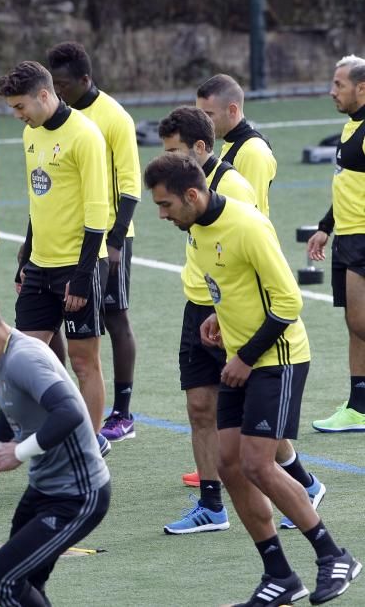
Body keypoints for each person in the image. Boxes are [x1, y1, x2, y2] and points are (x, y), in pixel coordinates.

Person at [146, 152, 361, 607]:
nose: (162, 216)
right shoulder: (197, 230)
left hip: (276, 359)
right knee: (227, 463)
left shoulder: (246, 226)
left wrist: (243, 355)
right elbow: (236, 289)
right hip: (239, 355)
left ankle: (334, 556)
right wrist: (219, 322)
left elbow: (287, 302)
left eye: (166, 206)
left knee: (259, 463)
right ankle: (279, 575)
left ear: (192, 194)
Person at [158, 107, 325, 534]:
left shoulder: (231, 189)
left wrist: (241, 337)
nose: (172, 160)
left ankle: (302, 486)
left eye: (177, 152)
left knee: (256, 432)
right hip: (205, 309)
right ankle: (212, 505)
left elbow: (261, 270)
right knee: (200, 407)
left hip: (250, 321)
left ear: (199, 149)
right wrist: (212, 308)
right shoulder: (184, 201)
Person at [0, 287, 110, 607]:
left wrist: (17, 453)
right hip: (44, 489)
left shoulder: (23, 358)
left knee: (1, 577)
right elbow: (11, 404)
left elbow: (70, 413)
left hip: (79, 494)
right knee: (26, 580)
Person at [0, 61, 112, 456]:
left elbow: (98, 211)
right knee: (24, 362)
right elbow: (38, 200)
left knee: (83, 362)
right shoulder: (32, 134)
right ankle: (47, 435)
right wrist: (25, 258)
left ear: (45, 95)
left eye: (20, 106)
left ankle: (90, 446)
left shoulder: (85, 136)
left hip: (78, 266)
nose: (17, 116)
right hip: (39, 267)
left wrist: (81, 277)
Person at [47, 42, 139, 443]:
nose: (58, 92)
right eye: (54, 84)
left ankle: (122, 411)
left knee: (114, 315)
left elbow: (131, 186)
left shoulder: (114, 117)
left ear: (85, 80)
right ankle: (67, 405)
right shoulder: (54, 118)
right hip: (68, 239)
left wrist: (115, 241)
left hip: (109, 238)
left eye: (64, 84)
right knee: (56, 323)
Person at [308, 55, 365, 433]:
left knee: (361, 321)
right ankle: (358, 406)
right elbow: (348, 183)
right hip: (346, 236)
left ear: (361, 88)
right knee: (354, 325)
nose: (332, 91)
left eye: (339, 85)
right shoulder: (351, 127)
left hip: (362, 238)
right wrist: (325, 226)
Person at [196, 73, 276, 217]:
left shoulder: (253, 152)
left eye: (208, 115)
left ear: (232, 111)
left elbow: (251, 216)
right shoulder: (231, 143)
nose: (202, 123)